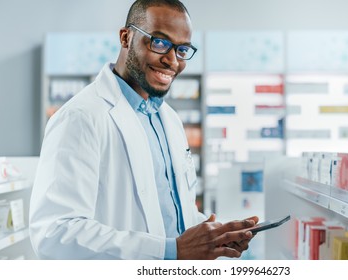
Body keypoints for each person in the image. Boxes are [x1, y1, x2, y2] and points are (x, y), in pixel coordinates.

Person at [29, 0, 258, 260]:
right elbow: (55, 234)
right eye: (159, 42)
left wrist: (214, 235)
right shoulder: (81, 117)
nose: (172, 60)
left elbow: (170, 213)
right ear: (126, 38)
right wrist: (172, 250)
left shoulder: (169, 119)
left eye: (182, 49)